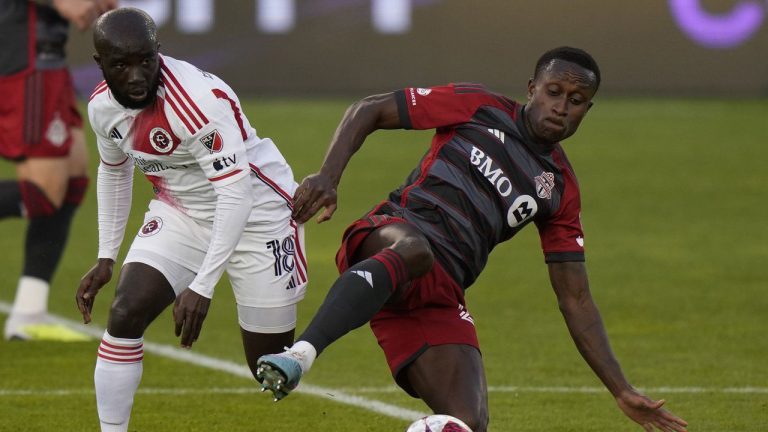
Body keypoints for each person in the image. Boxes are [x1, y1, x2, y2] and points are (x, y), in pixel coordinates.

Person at [256, 47, 688, 432]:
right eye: (554, 92)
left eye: (575, 102)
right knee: (414, 251)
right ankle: (299, 356)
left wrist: (621, 390)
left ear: (586, 110)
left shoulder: (558, 188)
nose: (561, 107)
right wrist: (329, 176)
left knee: (467, 422)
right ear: (532, 88)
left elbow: (575, 299)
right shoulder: (478, 106)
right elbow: (369, 109)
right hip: (391, 233)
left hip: (440, 291)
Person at [75, 8, 308, 432]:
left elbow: (234, 194)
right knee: (125, 311)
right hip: (182, 210)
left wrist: (202, 285)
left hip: (257, 214)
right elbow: (114, 170)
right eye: (120, 65)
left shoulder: (198, 101)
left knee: (270, 369)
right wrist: (106, 256)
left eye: (146, 61)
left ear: (158, 54)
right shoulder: (102, 109)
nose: (135, 76)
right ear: (100, 64)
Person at [1, 0, 116, 340]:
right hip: (22, 56)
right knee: (44, 191)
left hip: (47, 58)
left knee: (72, 182)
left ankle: (28, 312)